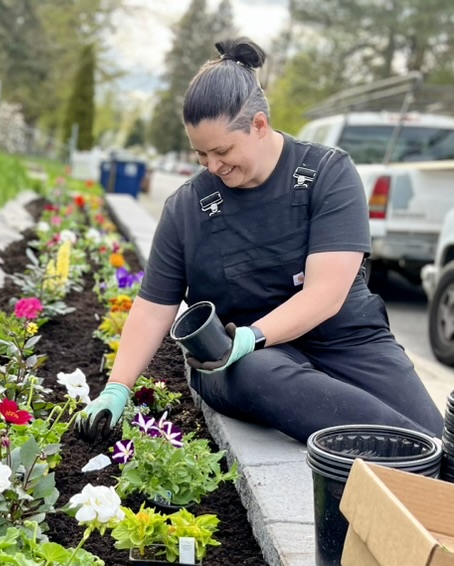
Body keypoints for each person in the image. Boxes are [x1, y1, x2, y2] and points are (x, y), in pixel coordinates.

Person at [77, 38, 443, 445]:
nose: (213, 166)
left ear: (259, 125)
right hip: (242, 359)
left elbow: (325, 293)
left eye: (222, 151)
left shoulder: (327, 173)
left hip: (347, 340)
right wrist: (117, 388)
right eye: (200, 156)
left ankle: (429, 452)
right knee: (259, 375)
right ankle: (422, 456)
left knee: (432, 427)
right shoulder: (186, 207)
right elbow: (152, 307)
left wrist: (256, 333)